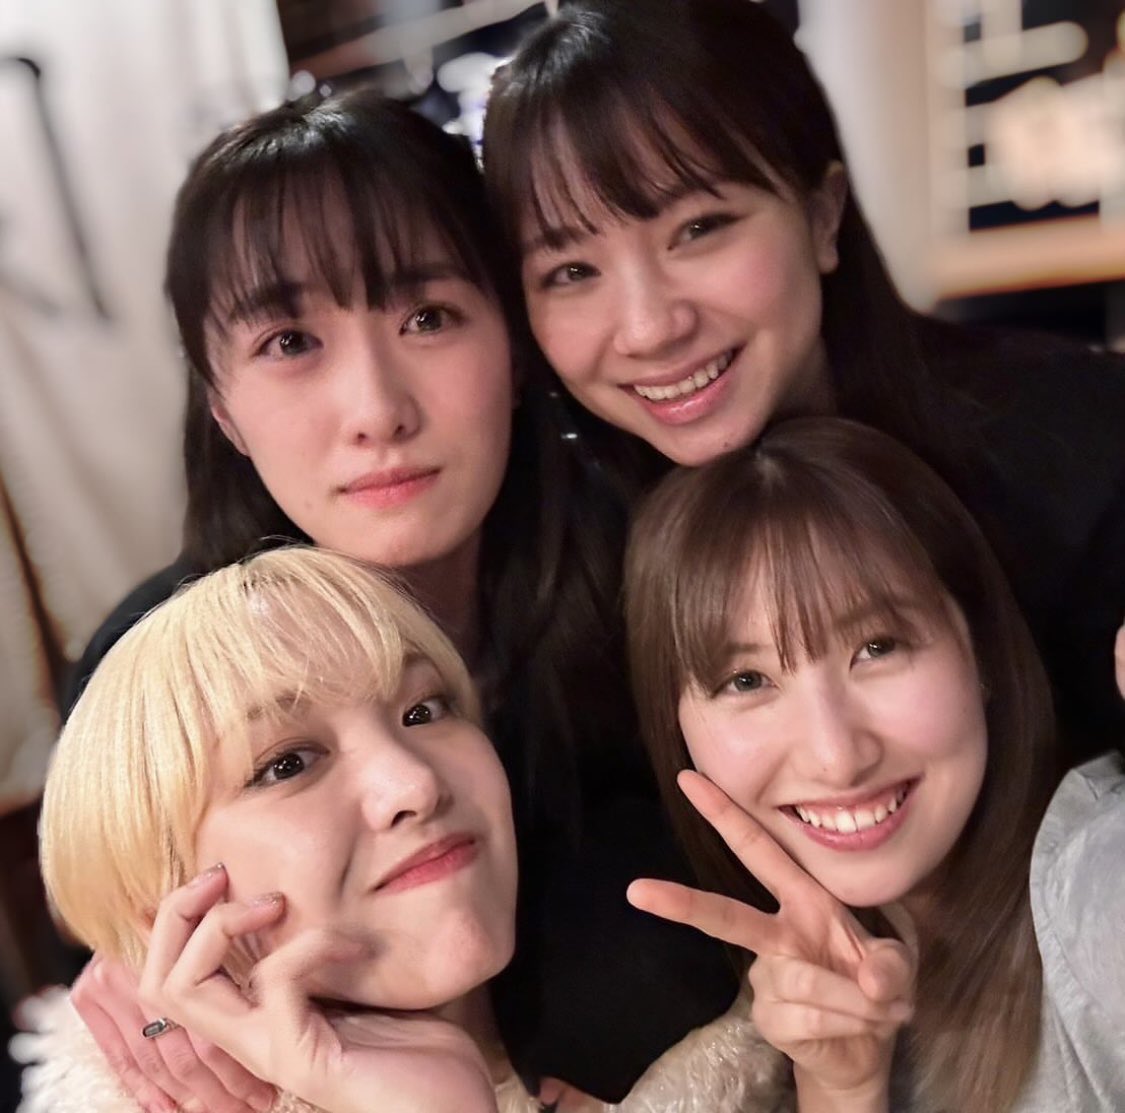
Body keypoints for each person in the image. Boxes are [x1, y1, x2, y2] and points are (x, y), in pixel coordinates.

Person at [58, 85, 737, 1111]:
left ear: (515, 346)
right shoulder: (153, 678)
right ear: (220, 405)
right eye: (291, 342)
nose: (376, 410)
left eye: (428, 317)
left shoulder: (656, 576)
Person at [482, 0, 1125, 756]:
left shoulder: (1081, 451)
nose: (649, 327)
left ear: (822, 217)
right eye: (571, 271)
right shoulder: (558, 575)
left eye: (698, 229)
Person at [18, 547, 786, 1113]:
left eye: (423, 710)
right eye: (287, 763)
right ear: (163, 902)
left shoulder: (743, 1035)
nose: (413, 784)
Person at [622, 417, 1125, 1111]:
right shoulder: (783, 1015)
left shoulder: (1096, 889)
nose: (836, 757)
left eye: (878, 647)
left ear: (979, 648)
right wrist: (843, 1089)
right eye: (747, 681)